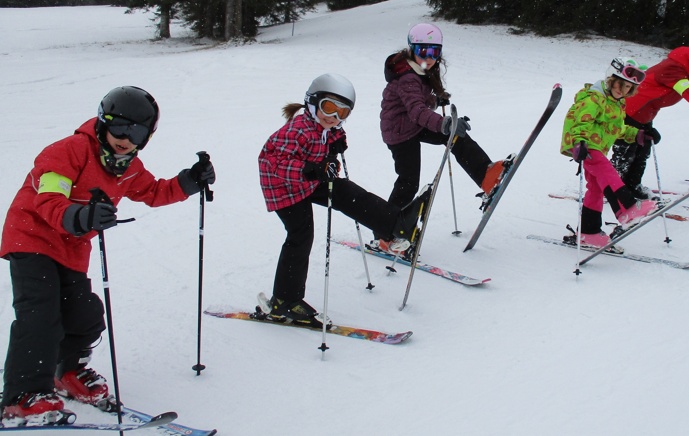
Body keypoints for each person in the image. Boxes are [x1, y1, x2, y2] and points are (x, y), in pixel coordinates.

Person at [0, 86, 216, 426]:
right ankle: (22, 395)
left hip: (70, 248)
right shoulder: (67, 151)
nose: (126, 139)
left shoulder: (128, 166)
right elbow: (49, 198)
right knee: (40, 315)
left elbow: (154, 192)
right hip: (32, 237)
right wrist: (80, 217)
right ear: (103, 124)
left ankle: (67, 371)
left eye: (137, 132)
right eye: (119, 128)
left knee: (85, 314)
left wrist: (189, 181)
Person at [258, 73, 429, 327]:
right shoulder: (297, 130)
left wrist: (336, 146)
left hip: (309, 181)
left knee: (346, 193)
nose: (334, 117)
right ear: (312, 102)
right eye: (329, 108)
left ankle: (395, 223)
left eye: (343, 113)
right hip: (284, 188)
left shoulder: (327, 127)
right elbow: (272, 163)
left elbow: (332, 135)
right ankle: (284, 301)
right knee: (301, 235)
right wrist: (310, 169)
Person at [372, 23, 512, 253]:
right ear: (412, 49)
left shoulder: (419, 71)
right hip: (399, 132)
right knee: (408, 182)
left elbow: (419, 104)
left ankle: (487, 176)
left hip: (412, 125)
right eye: (423, 51)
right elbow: (416, 110)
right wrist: (444, 123)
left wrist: (437, 102)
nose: (429, 58)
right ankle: (387, 234)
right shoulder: (407, 76)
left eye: (434, 52)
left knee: (457, 137)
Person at [608, 43, 689, 200]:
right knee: (626, 153)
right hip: (629, 113)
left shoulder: (685, 72)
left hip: (644, 116)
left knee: (642, 152)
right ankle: (613, 188)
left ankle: (632, 185)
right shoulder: (674, 70)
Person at [560, 58, 660, 248]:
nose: (621, 91)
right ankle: (628, 207)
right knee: (608, 172)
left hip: (594, 146)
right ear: (611, 80)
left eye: (628, 89)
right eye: (620, 85)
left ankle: (589, 232)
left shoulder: (616, 105)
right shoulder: (594, 98)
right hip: (585, 144)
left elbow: (617, 130)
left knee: (596, 188)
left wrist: (639, 134)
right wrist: (580, 141)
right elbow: (582, 120)